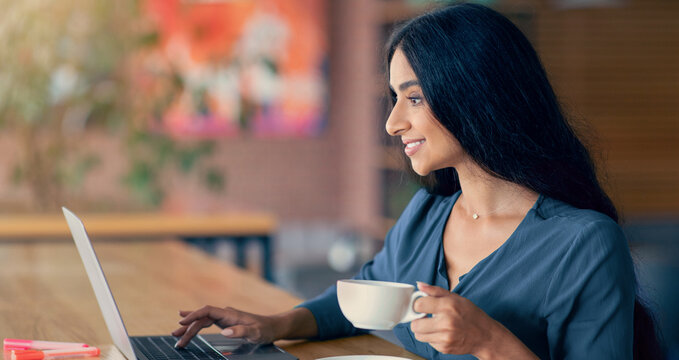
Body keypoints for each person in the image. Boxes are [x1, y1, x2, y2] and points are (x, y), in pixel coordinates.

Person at [172, 3, 663, 359]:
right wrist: (272, 325)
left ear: (475, 96)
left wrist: (490, 343)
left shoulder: (584, 244)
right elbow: (360, 299)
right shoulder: (427, 215)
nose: (392, 124)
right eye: (393, 98)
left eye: (414, 98)